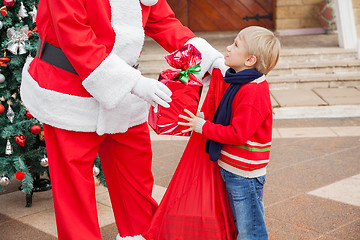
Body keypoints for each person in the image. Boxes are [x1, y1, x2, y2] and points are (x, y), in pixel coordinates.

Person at [20, 0, 226, 239]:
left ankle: (141, 234)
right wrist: (134, 83)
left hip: (125, 94)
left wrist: (209, 59)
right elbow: (75, 36)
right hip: (69, 91)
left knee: (135, 180)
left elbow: (164, 22)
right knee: (73, 191)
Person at [178, 26, 281, 239]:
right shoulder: (238, 80)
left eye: (235, 45)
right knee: (239, 221)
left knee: (249, 227)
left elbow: (237, 134)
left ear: (250, 60)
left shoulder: (252, 90)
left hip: (244, 173)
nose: (228, 47)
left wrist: (202, 126)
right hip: (234, 167)